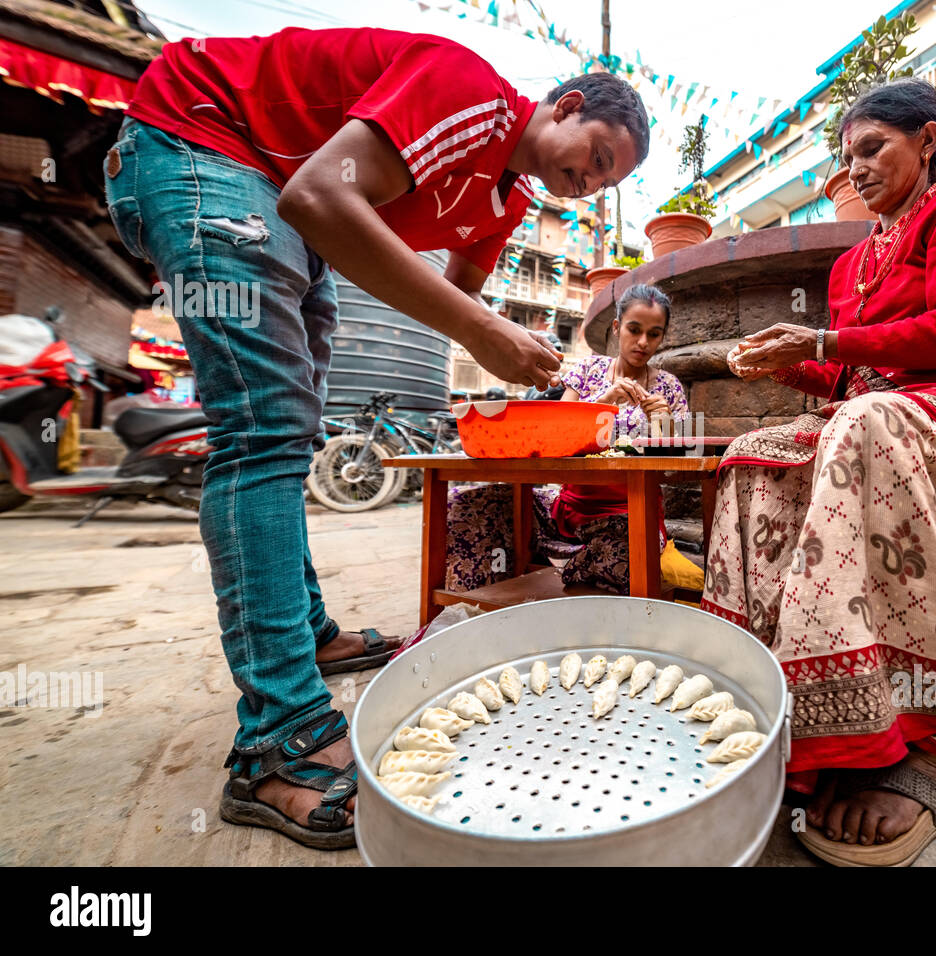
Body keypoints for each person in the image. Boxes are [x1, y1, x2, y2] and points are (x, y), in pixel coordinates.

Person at [103, 26, 649, 850]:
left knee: (291, 424)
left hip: (277, 192)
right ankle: (277, 743)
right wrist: (488, 335)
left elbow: (462, 302)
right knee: (263, 432)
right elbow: (320, 197)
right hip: (205, 139)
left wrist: (523, 361)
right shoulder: (471, 91)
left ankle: (306, 636)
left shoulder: (505, 203)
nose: (592, 184)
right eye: (599, 156)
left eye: (608, 183)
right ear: (567, 107)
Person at [708, 77, 936, 866]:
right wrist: (780, 366)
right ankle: (800, 717)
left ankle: (905, 743)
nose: (856, 169)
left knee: (868, 425)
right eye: (846, 157)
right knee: (752, 453)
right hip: (886, 419)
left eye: (873, 148)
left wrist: (823, 346)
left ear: (928, 139)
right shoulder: (849, 267)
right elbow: (845, 381)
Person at [447, 284, 687, 593]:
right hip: (567, 510)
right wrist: (604, 400)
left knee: (631, 555)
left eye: (654, 334)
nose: (643, 342)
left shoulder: (669, 387)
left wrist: (664, 425)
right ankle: (471, 607)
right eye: (634, 329)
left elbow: (680, 463)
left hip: (632, 514)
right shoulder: (588, 369)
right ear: (617, 328)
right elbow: (554, 437)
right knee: (470, 504)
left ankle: (563, 576)